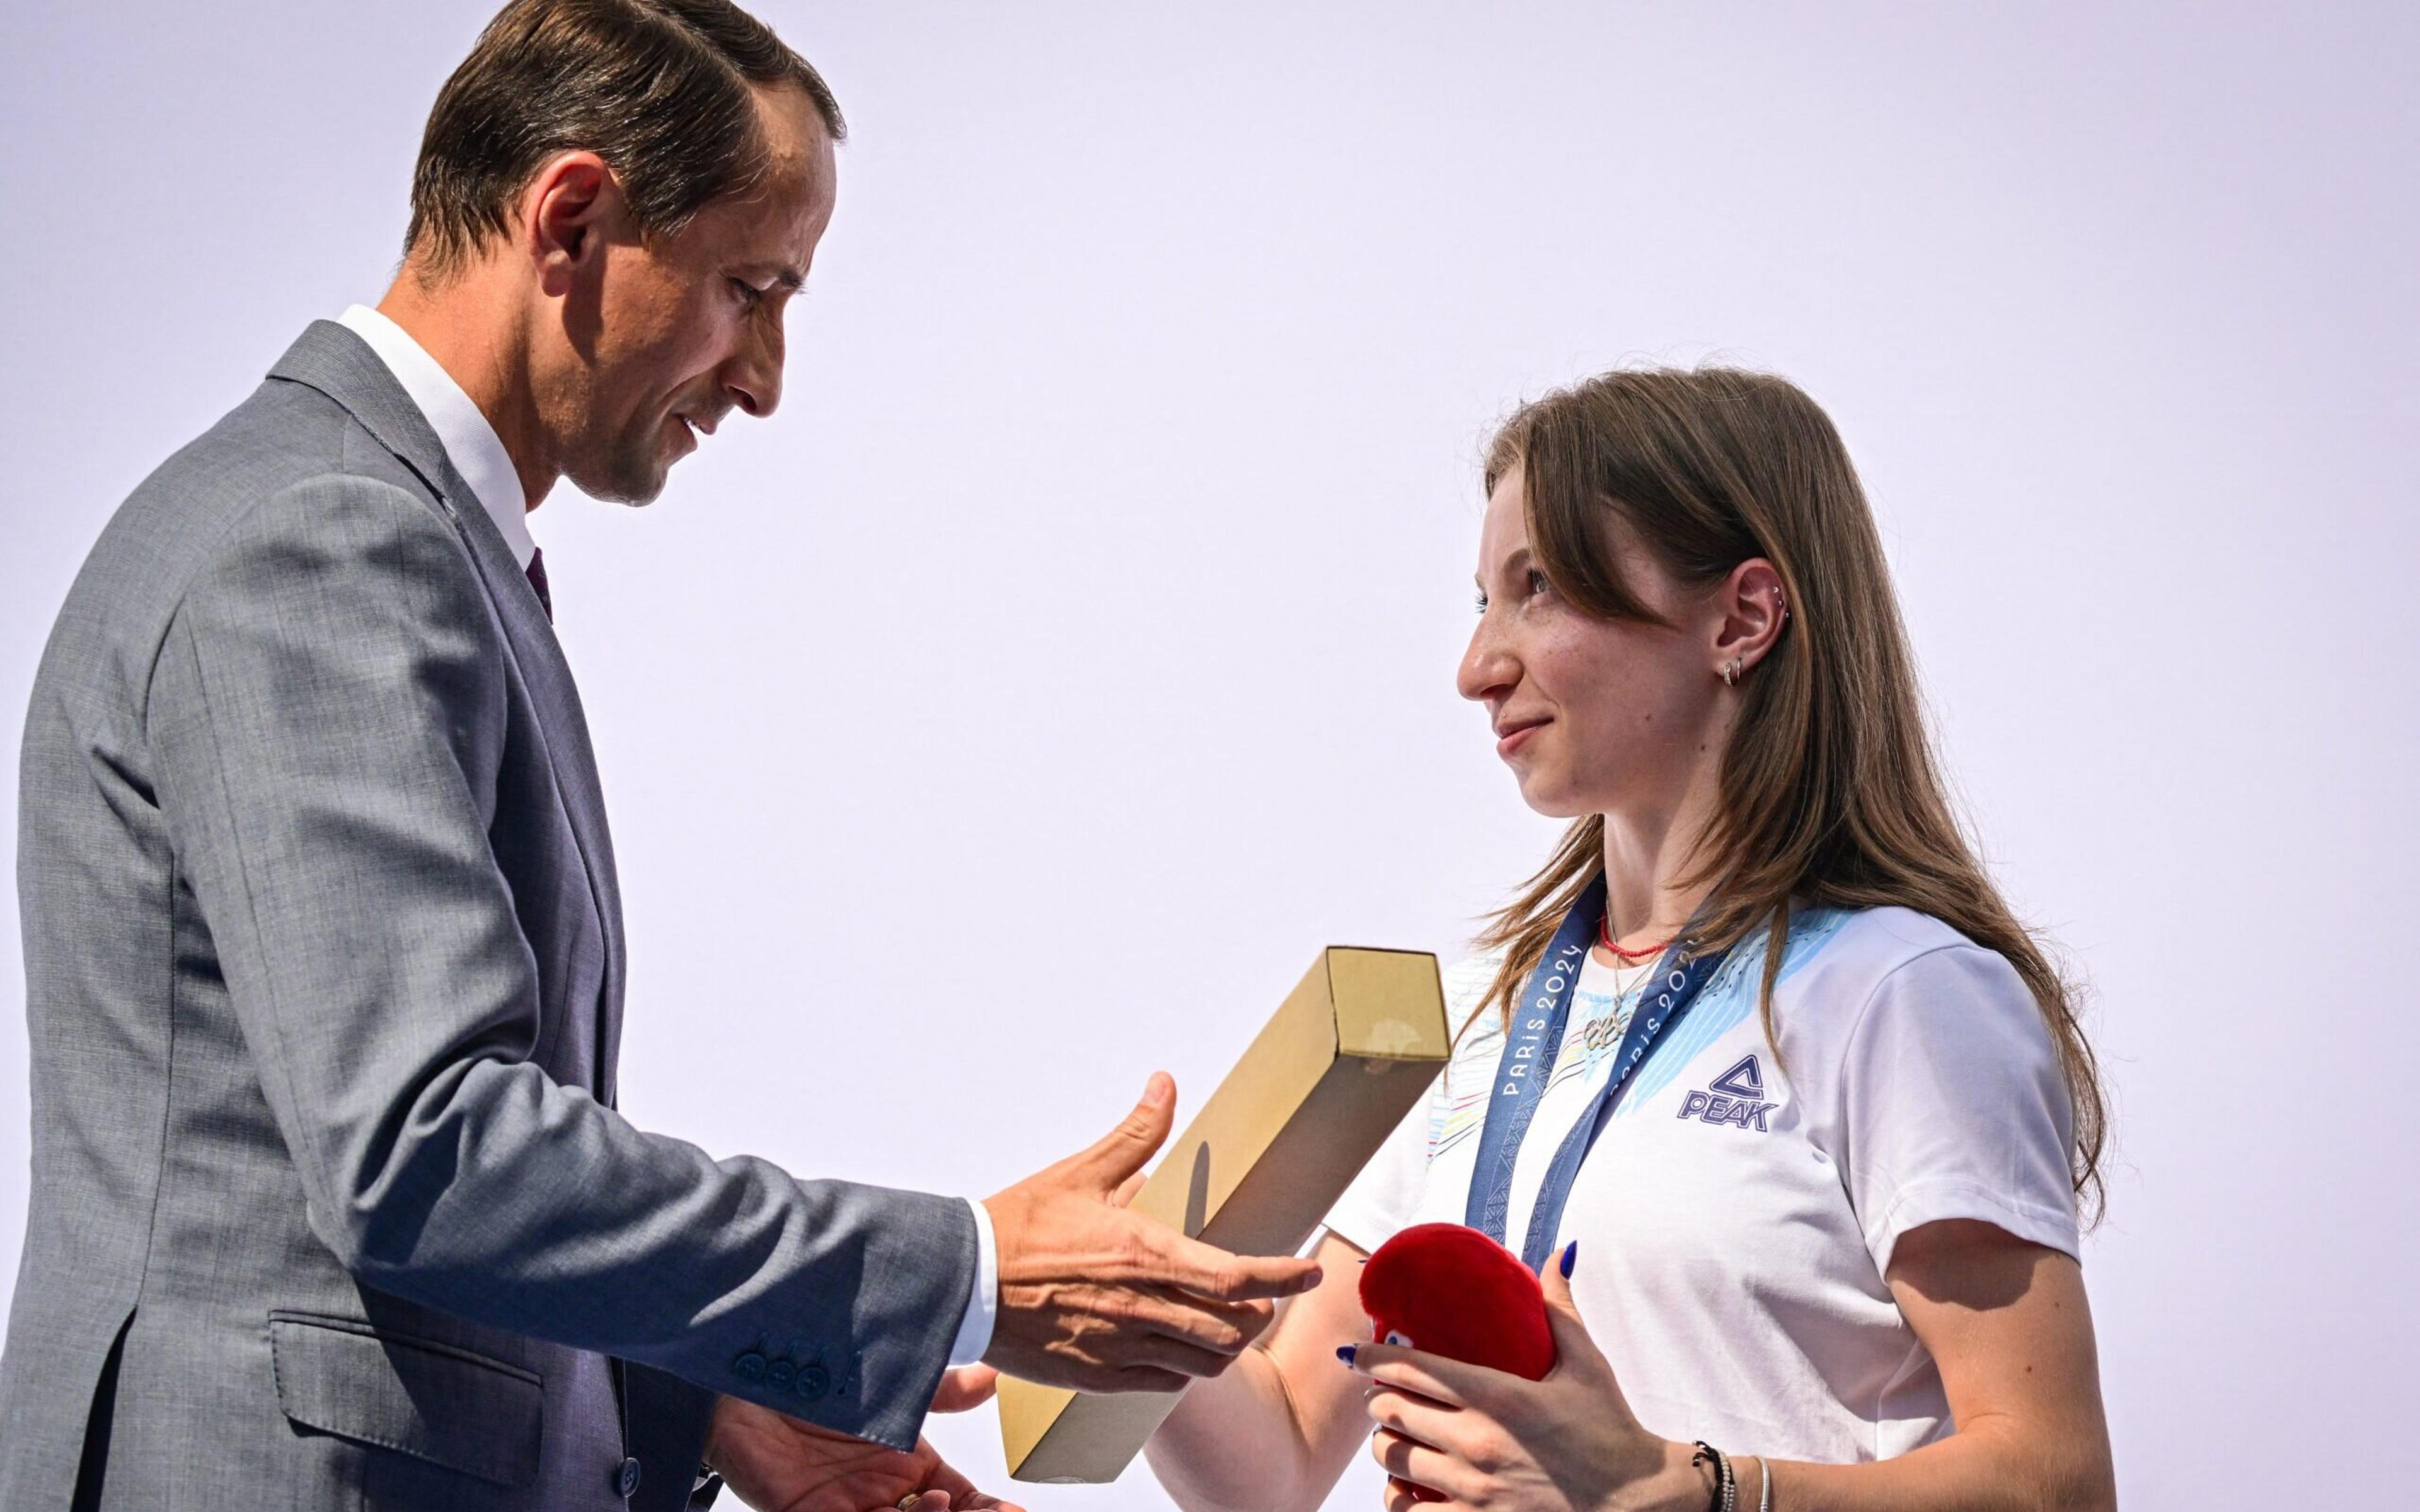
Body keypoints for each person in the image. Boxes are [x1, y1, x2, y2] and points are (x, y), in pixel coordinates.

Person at [0, 4, 1319, 1509]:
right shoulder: (328, 540)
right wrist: (965, 1272)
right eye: (751, 289)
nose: (764, 376)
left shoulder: (396, 537)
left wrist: (703, 1406)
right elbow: (427, 1151)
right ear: (570, 219)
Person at [1145, 368, 2119, 1511]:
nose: (1478, 669)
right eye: (1482, 603)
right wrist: (1127, 1310)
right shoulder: (1474, 1018)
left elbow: (2056, 1481)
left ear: (1742, 619)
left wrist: (1687, 1491)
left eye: (1541, 589)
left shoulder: (1901, 994)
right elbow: (1280, 1460)